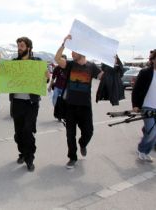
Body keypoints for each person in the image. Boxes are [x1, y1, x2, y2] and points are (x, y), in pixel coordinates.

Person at [55, 35, 103, 169]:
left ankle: (82, 143)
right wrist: (63, 44)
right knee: (70, 135)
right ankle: (72, 157)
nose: (71, 53)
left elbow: (103, 77)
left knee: (89, 132)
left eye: (74, 50)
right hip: (70, 106)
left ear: (81, 52)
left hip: (85, 106)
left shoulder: (92, 66)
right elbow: (57, 59)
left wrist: (112, 65)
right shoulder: (70, 65)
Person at [9, 37, 49, 172]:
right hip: (17, 103)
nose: (19, 48)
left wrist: (46, 76)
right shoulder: (14, 63)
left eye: (21, 45)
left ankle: (29, 158)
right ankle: (22, 152)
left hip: (31, 103)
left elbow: (45, 79)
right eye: (18, 46)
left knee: (28, 130)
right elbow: (5, 78)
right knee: (18, 133)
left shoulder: (37, 63)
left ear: (29, 48)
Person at [132, 49, 156, 162]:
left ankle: (146, 152)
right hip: (148, 107)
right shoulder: (145, 73)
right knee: (151, 132)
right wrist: (135, 105)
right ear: (153, 60)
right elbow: (136, 89)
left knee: (155, 136)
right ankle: (141, 150)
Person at [48, 54, 68, 121]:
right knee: (54, 100)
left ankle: (63, 115)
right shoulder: (57, 68)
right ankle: (58, 112)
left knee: (64, 102)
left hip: (65, 88)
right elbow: (53, 78)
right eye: (60, 60)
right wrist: (50, 86)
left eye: (63, 60)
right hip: (57, 87)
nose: (61, 62)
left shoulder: (68, 68)